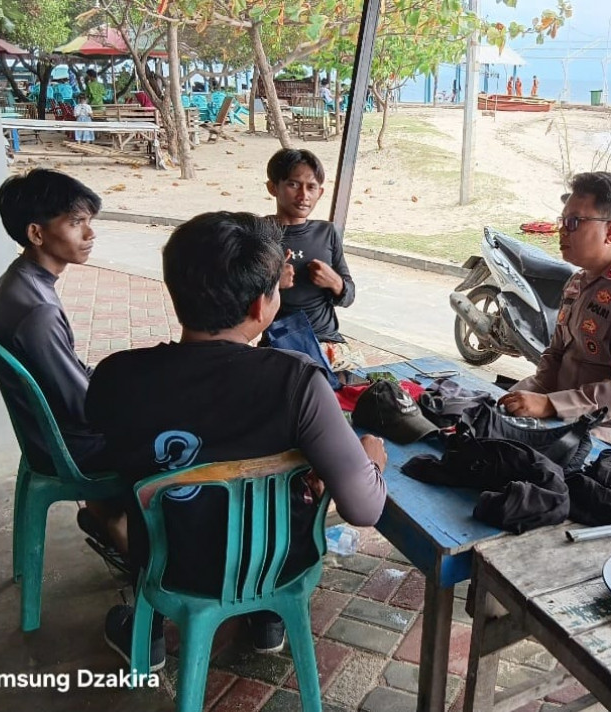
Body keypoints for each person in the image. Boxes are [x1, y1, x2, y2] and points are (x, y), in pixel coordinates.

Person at [85, 211, 387, 666]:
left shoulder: (115, 375)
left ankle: (148, 627)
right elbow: (365, 509)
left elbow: (105, 474)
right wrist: (371, 458)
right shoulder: (297, 382)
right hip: (278, 562)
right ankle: (267, 613)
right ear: (261, 307)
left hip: (166, 564)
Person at [0, 169, 126, 553]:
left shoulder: (17, 281)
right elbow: (82, 406)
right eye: (76, 223)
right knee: (177, 436)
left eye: (89, 222)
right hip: (69, 446)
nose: (89, 234)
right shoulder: (38, 311)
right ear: (36, 233)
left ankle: (108, 516)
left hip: (46, 434)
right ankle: (143, 548)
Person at [498, 171, 611, 451]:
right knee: (486, 421)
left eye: (574, 222)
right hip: (567, 420)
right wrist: (528, 394)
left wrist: (551, 404)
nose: (562, 231)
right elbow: (555, 354)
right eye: (563, 221)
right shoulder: (579, 282)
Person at [265, 148, 356, 366]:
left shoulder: (326, 232)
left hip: (330, 345)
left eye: (311, 187)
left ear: (320, 192)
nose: (303, 195)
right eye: (293, 184)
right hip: (280, 346)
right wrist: (272, 284)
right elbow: (238, 298)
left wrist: (336, 282)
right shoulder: (260, 233)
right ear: (273, 187)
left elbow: (349, 296)